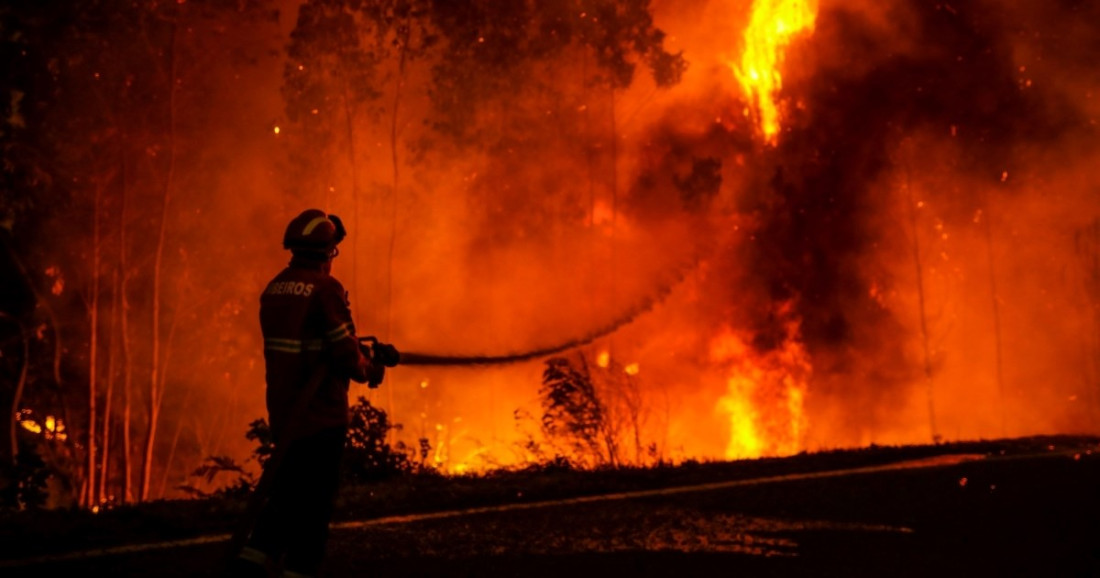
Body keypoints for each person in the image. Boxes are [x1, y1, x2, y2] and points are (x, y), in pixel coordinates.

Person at [231, 209, 383, 578]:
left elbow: (312, 343)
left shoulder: (276, 288)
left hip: (285, 411)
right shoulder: (325, 289)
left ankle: (250, 564)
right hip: (321, 414)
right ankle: (301, 569)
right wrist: (369, 367)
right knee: (315, 502)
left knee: (285, 496)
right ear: (327, 251)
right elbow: (344, 354)